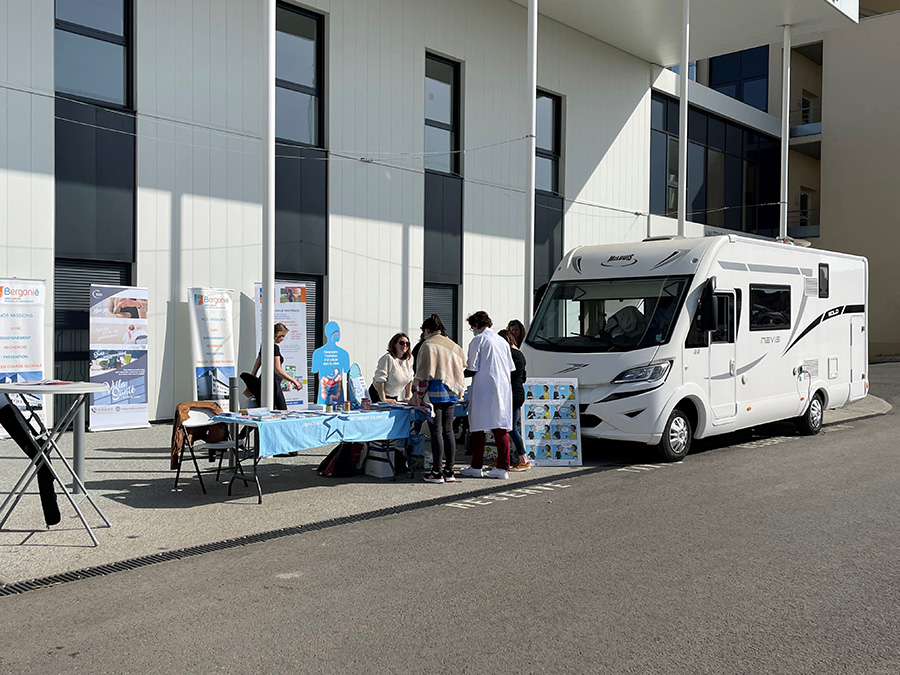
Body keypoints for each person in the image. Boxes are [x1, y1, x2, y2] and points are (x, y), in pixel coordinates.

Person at [410, 314, 466, 484]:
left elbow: (423, 374)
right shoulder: (454, 345)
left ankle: (436, 472)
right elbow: (463, 365)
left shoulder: (428, 345)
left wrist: (417, 397)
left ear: (427, 330)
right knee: (448, 430)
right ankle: (450, 470)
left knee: (436, 431)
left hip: (435, 392)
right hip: (452, 392)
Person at [461, 311, 514, 480]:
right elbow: (510, 367)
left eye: (472, 327)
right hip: (503, 387)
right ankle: (503, 467)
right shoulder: (503, 341)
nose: (472, 330)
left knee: (478, 426)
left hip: (484, 388)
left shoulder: (478, 340)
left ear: (476, 325)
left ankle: (477, 466)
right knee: (500, 426)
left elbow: (472, 368)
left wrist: (456, 373)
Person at [244, 323, 302, 411]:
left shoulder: (264, 346)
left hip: (264, 381)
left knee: (267, 409)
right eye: (281, 336)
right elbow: (277, 370)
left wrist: (250, 383)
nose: (283, 338)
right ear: (276, 335)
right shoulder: (274, 348)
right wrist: (294, 381)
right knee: (282, 410)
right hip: (274, 383)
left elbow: (256, 366)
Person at [498, 328, 530, 471]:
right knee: (507, 427)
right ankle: (504, 458)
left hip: (512, 394)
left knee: (510, 428)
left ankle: (523, 459)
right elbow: (523, 377)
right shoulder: (520, 354)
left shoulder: (511, 355)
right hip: (517, 392)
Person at [369, 333, 414, 403]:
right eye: (402, 343)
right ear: (394, 344)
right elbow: (380, 380)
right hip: (378, 395)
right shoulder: (387, 358)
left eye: (407, 344)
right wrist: (383, 399)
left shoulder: (409, 359)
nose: (405, 345)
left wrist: (407, 397)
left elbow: (409, 379)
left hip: (393, 396)